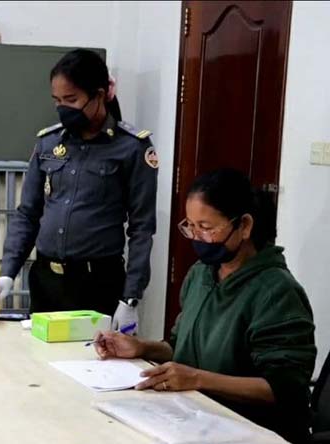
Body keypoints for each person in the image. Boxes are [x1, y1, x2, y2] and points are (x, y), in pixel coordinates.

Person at [94, 169, 316, 443]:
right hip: (194, 417)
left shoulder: (277, 292)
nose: (196, 237)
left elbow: (284, 389)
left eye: (207, 228)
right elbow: (181, 346)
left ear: (244, 226)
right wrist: (141, 347)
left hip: (252, 431)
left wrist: (197, 379)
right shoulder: (201, 274)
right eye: (190, 226)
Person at [0, 49, 158, 333]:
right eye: (57, 101)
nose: (63, 108)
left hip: (97, 284)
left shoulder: (132, 148)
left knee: (91, 359)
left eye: (71, 100)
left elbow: (142, 228)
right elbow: (28, 213)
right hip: (46, 281)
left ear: (99, 95)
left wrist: (130, 297)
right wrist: (8, 271)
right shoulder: (49, 143)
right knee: (39, 358)